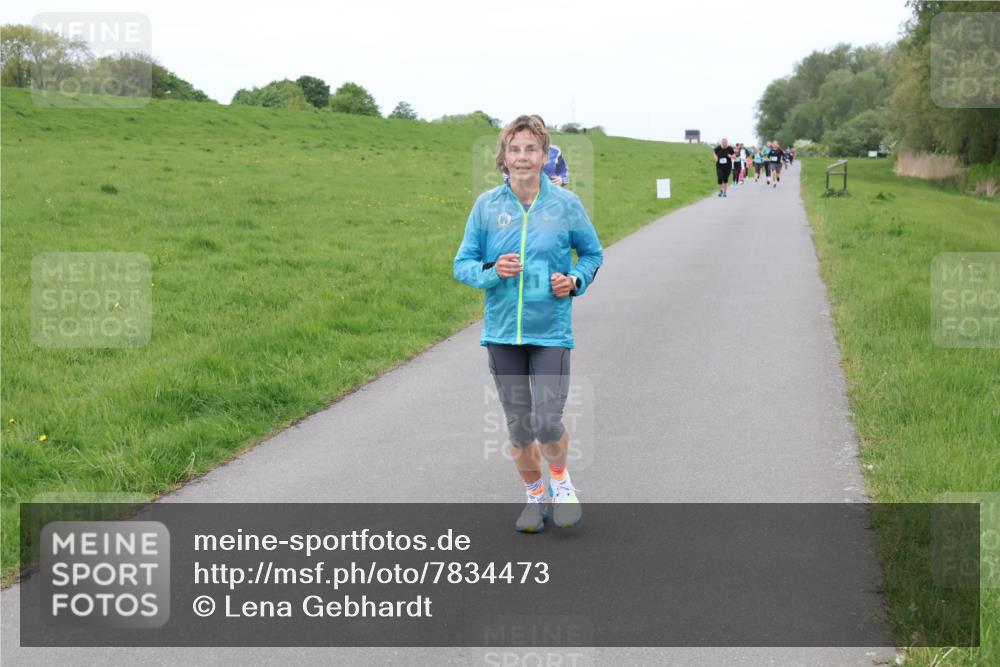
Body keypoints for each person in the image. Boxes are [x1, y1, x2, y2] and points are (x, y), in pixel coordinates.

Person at [454, 114, 603, 533]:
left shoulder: (566, 206)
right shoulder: (486, 206)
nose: (522, 157)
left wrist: (573, 281)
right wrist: (491, 270)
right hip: (502, 333)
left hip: (550, 331)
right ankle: (534, 498)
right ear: (503, 157)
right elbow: (462, 263)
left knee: (547, 420)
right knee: (520, 428)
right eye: (515, 150)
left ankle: (562, 484)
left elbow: (592, 255)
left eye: (531, 149)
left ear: (544, 156)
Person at [502, 115, 569, 187]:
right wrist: (510, 180)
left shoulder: (555, 151)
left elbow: (564, 172)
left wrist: (562, 180)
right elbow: (506, 171)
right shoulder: (517, 151)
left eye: (539, 130)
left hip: (551, 194)